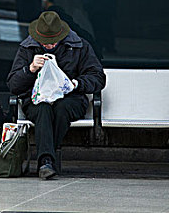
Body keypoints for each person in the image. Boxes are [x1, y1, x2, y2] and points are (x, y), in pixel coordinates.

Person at [6, 11, 106, 179]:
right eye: (45, 42)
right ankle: (46, 161)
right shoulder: (27, 48)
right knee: (43, 109)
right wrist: (30, 69)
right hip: (36, 98)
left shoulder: (79, 46)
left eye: (53, 42)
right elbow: (13, 85)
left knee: (61, 108)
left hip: (71, 99)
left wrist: (76, 84)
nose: (49, 45)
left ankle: (46, 160)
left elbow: (98, 77)